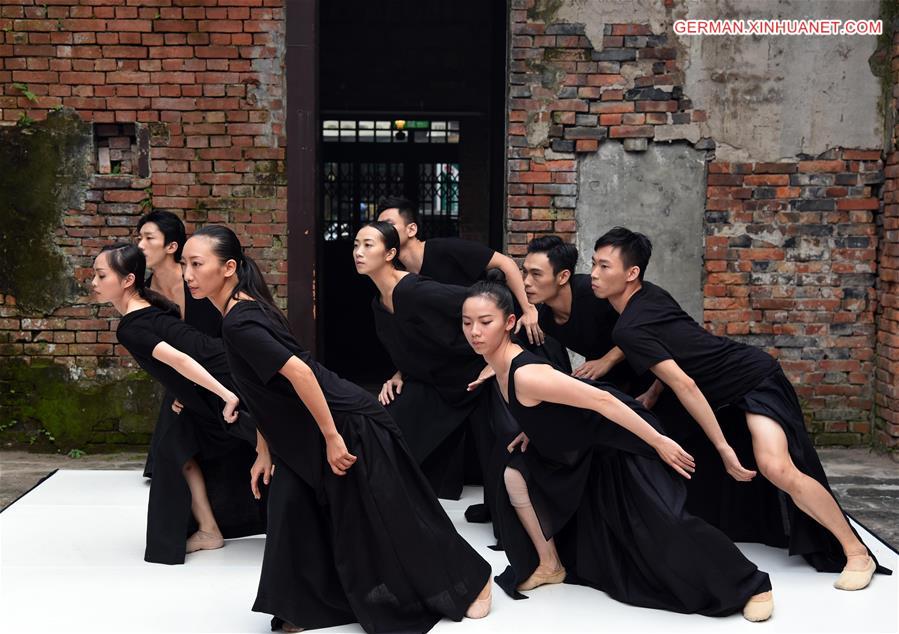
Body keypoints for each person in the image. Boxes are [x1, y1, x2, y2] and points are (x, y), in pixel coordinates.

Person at [182, 225, 492, 633]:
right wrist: (264, 447)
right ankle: (301, 608)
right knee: (291, 510)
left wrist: (332, 437)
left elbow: (300, 373)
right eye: (184, 263)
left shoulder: (240, 320)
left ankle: (474, 579)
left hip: (346, 424)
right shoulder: (242, 310)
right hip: (305, 435)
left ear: (228, 268)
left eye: (196, 263)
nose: (187, 273)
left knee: (394, 515)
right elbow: (262, 391)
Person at [592, 226, 891, 590]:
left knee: (775, 467)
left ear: (632, 273)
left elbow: (685, 383)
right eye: (593, 264)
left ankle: (856, 552)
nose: (594, 274)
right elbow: (675, 353)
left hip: (753, 379)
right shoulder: (646, 300)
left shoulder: (632, 324)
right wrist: (654, 394)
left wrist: (724, 448)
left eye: (604, 266)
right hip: (723, 392)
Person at [461, 278, 776, 620]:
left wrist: (659, 442)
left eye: (485, 322)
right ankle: (550, 564)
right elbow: (545, 409)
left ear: (509, 323)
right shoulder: (499, 365)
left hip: (618, 437)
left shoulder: (526, 374)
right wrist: (532, 429)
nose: (474, 331)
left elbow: (602, 399)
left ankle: (751, 583)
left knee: (665, 521)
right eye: (467, 323)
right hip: (580, 444)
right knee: (515, 473)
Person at [91, 243, 265, 565]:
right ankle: (209, 530)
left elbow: (181, 359)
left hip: (227, 378)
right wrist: (182, 395)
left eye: (101, 275)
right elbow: (178, 362)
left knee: (272, 444)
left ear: (127, 280)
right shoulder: (146, 310)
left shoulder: (132, 326)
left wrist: (226, 395)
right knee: (174, 447)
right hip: (211, 381)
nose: (94, 282)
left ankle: (311, 518)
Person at [355, 220, 493, 501]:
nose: (358, 252)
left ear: (390, 254)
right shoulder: (378, 301)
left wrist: (497, 357)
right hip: (431, 381)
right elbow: (411, 344)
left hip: (470, 378)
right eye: (356, 245)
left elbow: (483, 302)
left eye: (368, 245)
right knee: (384, 430)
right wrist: (399, 374)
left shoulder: (416, 290)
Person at [377, 195, 543, 345]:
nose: (382, 232)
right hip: (462, 345)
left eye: (389, 225)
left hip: (507, 334)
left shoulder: (445, 248)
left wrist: (529, 310)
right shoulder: (398, 273)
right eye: (379, 227)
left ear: (411, 229)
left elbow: (506, 264)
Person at [137, 210, 222, 478]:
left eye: (149, 238)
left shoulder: (198, 281)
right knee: (167, 463)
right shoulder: (143, 293)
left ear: (172, 246)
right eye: (139, 237)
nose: (140, 245)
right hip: (181, 374)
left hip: (220, 366)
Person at [523, 235, 648, 393]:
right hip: (610, 382)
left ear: (563, 276)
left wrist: (607, 360)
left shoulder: (594, 293)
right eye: (525, 272)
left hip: (651, 370)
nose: (526, 281)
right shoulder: (544, 319)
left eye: (536, 274)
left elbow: (643, 327)